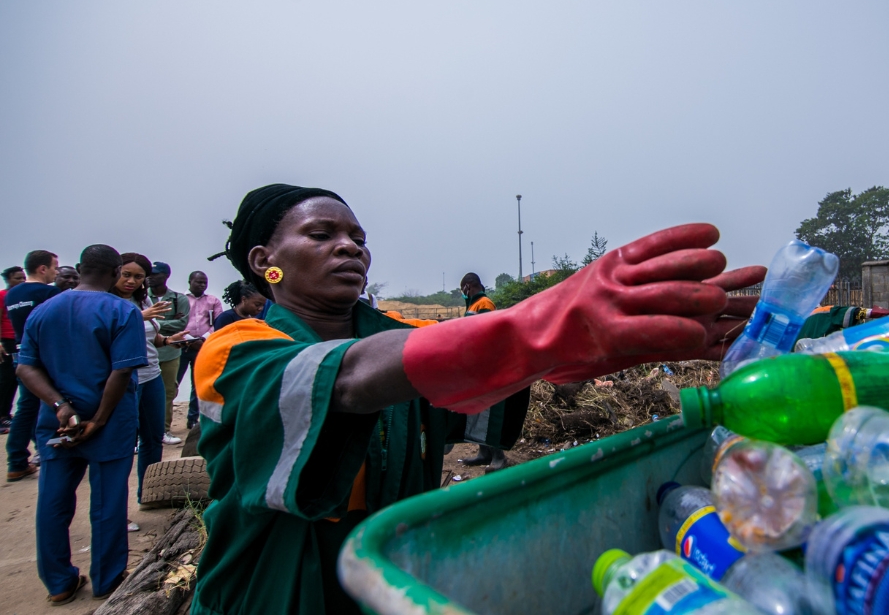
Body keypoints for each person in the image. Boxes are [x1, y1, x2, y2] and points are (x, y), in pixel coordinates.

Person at [190, 184, 762, 615]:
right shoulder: (235, 347)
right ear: (266, 260)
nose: (350, 248)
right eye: (322, 235)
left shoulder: (392, 329)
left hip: (380, 575)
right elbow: (348, 379)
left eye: (359, 239)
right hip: (272, 584)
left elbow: (476, 367)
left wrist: (606, 345)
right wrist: (540, 321)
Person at [16, 245, 147, 604]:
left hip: (57, 424)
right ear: (117, 272)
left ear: (80, 268)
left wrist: (60, 405)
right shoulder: (122, 310)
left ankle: (59, 583)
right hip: (109, 421)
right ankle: (107, 579)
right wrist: (98, 420)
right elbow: (121, 369)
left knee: (54, 502)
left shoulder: (44, 311)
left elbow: (25, 367)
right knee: (107, 503)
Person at [111, 253, 188, 510]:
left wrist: (169, 339)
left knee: (153, 437)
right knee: (122, 444)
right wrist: (139, 316)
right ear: (115, 272)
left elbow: (150, 338)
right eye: (127, 275)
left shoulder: (142, 300)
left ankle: (149, 493)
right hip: (123, 380)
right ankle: (116, 509)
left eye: (139, 276)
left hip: (151, 374)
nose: (132, 281)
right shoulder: (107, 302)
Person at [5, 250, 61, 481]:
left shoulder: (12, 294)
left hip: (21, 355)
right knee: (53, 404)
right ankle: (51, 450)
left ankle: (16, 459)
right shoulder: (49, 292)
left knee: (26, 408)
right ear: (42, 268)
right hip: (46, 357)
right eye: (55, 268)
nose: (56, 273)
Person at [456, 272, 507, 471]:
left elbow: (485, 335)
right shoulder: (473, 305)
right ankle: (484, 453)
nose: (462, 293)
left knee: (487, 413)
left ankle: (499, 457)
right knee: (477, 410)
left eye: (463, 289)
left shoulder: (484, 304)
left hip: (486, 366)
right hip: (475, 366)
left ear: (468, 286)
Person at [147, 262, 189, 445]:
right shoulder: (142, 298)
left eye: (154, 274)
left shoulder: (179, 299)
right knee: (142, 394)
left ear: (165, 276)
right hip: (147, 352)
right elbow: (137, 319)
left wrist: (152, 321)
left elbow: (181, 325)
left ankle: (163, 430)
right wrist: (163, 322)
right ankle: (141, 434)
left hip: (170, 353)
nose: (150, 277)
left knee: (168, 392)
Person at [180, 271, 222, 430]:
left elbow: (217, 322)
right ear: (190, 281)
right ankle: (164, 424)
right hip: (183, 345)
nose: (202, 285)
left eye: (205, 282)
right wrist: (190, 340)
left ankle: (193, 419)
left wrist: (202, 339)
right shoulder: (181, 300)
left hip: (203, 346)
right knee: (173, 384)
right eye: (198, 282)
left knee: (198, 384)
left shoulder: (213, 301)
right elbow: (179, 323)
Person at [1, 265, 26, 433]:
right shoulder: (3, 295)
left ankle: (6, 415)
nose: (22, 281)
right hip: (6, 342)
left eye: (23, 278)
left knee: (16, 381)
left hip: (19, 341)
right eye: (18, 278)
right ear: (8, 280)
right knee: (5, 379)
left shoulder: (22, 296)